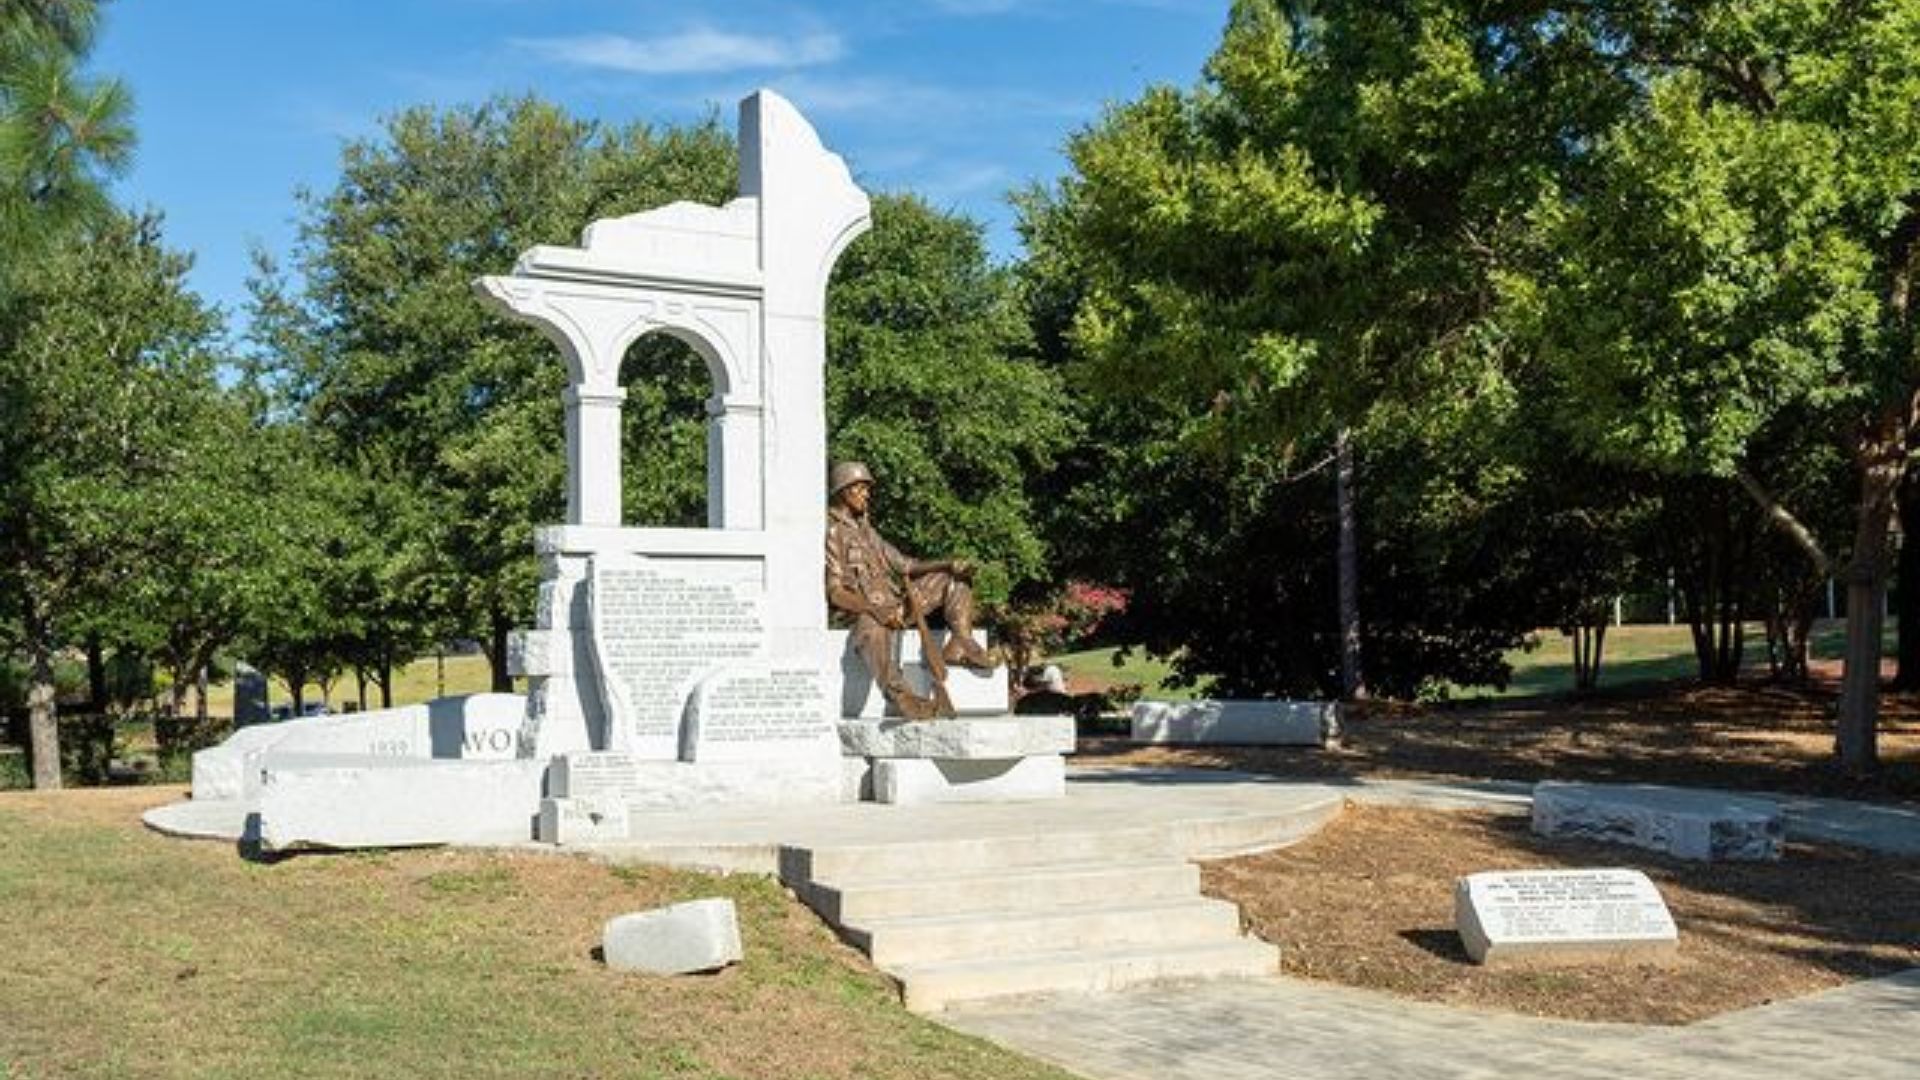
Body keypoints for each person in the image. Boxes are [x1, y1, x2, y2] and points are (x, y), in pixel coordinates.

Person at [825, 461, 1000, 719]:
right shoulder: (832, 532)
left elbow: (905, 565)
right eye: (860, 488)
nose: (867, 494)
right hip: (867, 613)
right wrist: (876, 610)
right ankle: (900, 696)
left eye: (867, 489)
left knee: (954, 579)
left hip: (897, 605)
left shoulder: (868, 532)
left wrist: (948, 564)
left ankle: (961, 645)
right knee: (870, 631)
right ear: (843, 491)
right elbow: (835, 592)